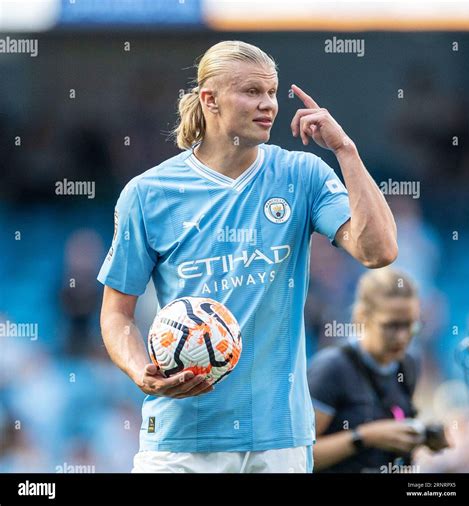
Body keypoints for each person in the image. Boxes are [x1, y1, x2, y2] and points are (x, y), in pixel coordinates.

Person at [97, 40, 397, 473]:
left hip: (278, 440)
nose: (268, 104)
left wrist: (345, 151)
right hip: (182, 438)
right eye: (252, 91)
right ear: (209, 99)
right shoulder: (148, 194)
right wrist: (140, 369)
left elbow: (379, 251)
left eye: (272, 92)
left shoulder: (302, 174)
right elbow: (116, 314)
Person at [308, 268, 446, 473]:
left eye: (409, 326)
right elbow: (300, 456)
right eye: (391, 326)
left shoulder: (407, 364)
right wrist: (365, 436)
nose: (401, 337)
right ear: (361, 318)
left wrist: (422, 437)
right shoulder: (332, 368)